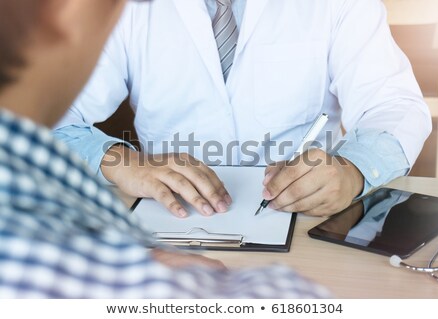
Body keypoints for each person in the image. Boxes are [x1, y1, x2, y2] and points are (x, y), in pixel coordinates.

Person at [0, 0, 330, 298]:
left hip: (299, 224)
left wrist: (131, 257)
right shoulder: (279, 294)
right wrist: (121, 162)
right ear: (67, 11)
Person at [54, 0, 431, 218]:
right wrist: (121, 162)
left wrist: (354, 171)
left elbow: (394, 104)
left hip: (302, 218)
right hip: (171, 221)